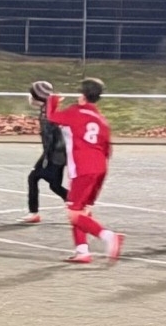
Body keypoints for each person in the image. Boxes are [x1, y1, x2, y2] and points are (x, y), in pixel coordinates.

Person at [46, 78, 124, 264]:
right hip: (100, 167)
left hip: (82, 168)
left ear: (82, 95)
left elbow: (51, 117)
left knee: (73, 214)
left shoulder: (75, 112)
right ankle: (82, 251)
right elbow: (107, 149)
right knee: (81, 210)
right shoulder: (101, 119)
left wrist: (52, 101)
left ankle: (108, 236)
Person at [20, 80, 67, 224]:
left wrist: (47, 158)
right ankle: (77, 205)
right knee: (54, 185)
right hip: (56, 153)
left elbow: (52, 139)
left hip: (55, 154)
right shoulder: (48, 109)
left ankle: (34, 213)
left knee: (34, 178)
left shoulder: (48, 114)